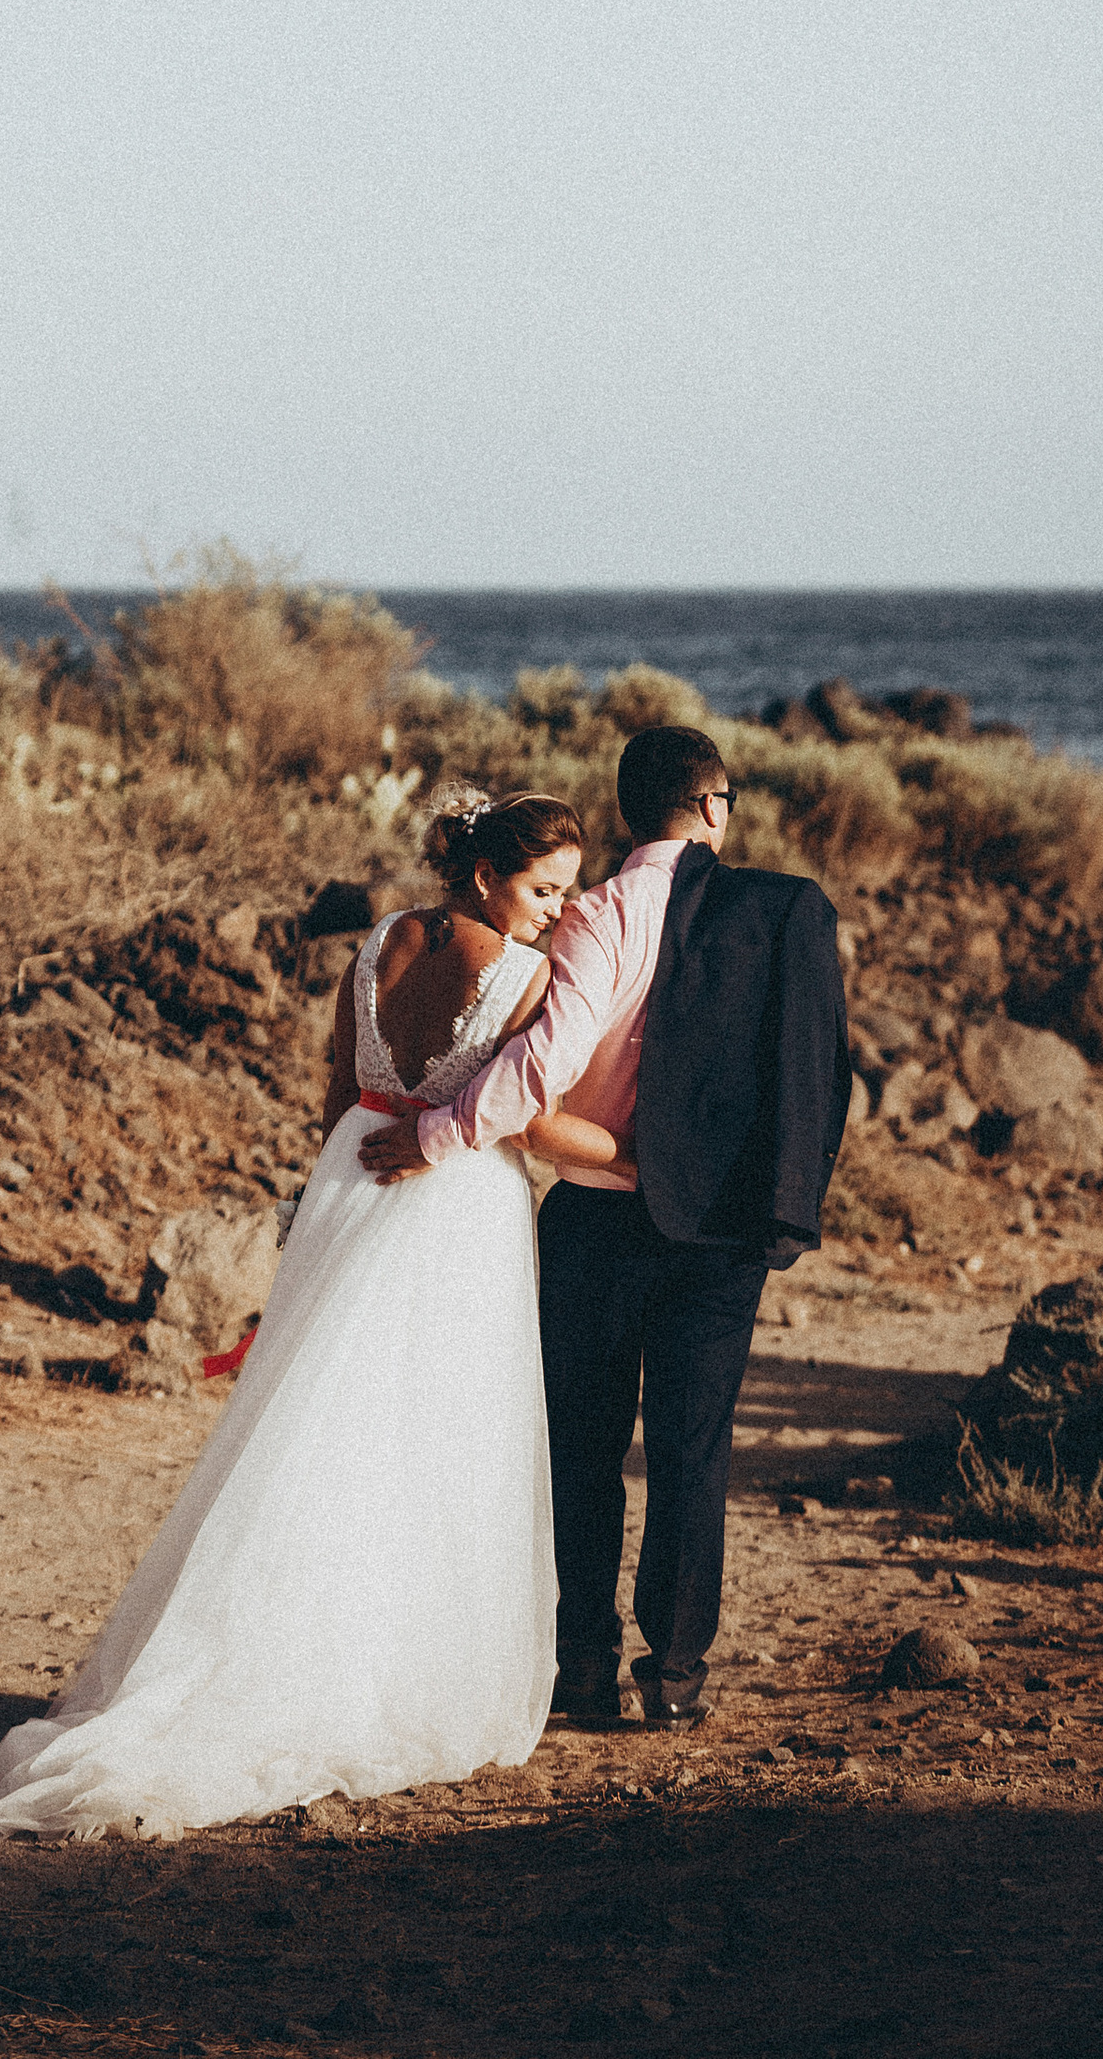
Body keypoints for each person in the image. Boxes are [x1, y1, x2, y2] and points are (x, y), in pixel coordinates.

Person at [0, 796, 605, 1838]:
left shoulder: (381, 940)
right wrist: (634, 1157)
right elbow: (526, 1119)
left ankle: (256, 1647)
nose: (557, 910)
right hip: (450, 1204)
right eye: (543, 889)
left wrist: (320, 1194)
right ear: (483, 874)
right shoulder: (523, 975)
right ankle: (375, 1674)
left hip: (348, 1175)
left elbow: (339, 1084)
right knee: (430, 1437)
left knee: (311, 1418)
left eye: (566, 892)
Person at [361, 721, 851, 1728]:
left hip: (594, 1219)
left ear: (628, 817)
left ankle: (581, 1668)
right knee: (692, 1457)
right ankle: (673, 1678)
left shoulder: (597, 914)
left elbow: (546, 1064)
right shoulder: (784, 912)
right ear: (713, 808)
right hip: (718, 1230)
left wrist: (439, 1134)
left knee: (580, 1454)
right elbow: (818, 1072)